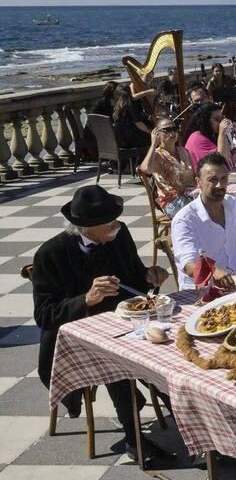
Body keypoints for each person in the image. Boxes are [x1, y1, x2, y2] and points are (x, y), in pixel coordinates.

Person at [32, 185, 171, 464]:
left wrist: (149, 276)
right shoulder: (51, 254)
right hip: (75, 340)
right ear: (86, 227)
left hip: (127, 323)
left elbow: (132, 277)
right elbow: (44, 315)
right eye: (109, 223)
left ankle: (187, 417)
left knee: (167, 354)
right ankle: (134, 439)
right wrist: (87, 298)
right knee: (117, 365)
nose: (117, 226)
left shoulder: (119, 236)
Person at [171, 153, 236, 289]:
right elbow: (189, 265)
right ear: (198, 182)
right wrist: (214, 270)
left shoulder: (231, 204)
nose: (219, 185)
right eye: (212, 179)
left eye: (224, 179)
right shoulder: (185, 220)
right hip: (201, 292)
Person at [139, 118, 195, 217]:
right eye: (167, 130)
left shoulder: (183, 151)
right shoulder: (157, 155)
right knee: (201, 213)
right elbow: (145, 169)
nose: (172, 132)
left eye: (174, 129)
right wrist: (153, 145)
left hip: (191, 195)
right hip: (172, 201)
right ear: (157, 134)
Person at [184, 102, 236, 169]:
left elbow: (229, 160)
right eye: (217, 119)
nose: (220, 122)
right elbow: (221, 161)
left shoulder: (213, 135)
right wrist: (222, 133)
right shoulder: (196, 137)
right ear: (206, 120)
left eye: (221, 119)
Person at [81, 80, 118, 160]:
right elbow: (92, 120)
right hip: (94, 134)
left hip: (96, 132)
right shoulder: (104, 103)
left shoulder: (104, 102)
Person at [112, 85, 152, 149]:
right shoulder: (130, 103)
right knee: (156, 138)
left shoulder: (118, 104)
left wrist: (146, 117)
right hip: (130, 141)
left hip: (120, 139)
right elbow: (138, 123)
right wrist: (150, 132)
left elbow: (129, 117)